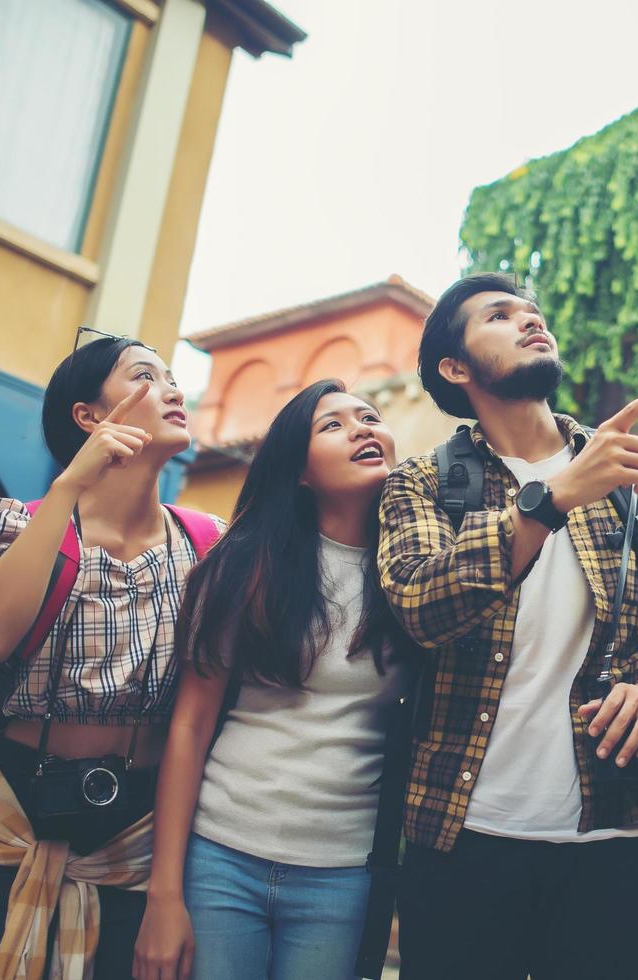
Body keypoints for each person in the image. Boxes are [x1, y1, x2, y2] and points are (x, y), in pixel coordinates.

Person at [376, 272, 638, 980]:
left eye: (533, 311)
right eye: (499, 316)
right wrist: (552, 498)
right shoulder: (421, 482)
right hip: (462, 837)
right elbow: (418, 607)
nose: (530, 320)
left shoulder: (629, 473)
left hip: (617, 833)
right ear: (455, 367)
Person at [0, 332, 224, 978]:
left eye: (172, 378)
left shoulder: (205, 544)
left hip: (136, 832)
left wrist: (168, 889)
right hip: (7, 811)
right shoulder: (15, 522)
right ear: (89, 416)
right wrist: (71, 486)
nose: (173, 390)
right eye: (144, 377)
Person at [132, 379, 412, 980]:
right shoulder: (244, 563)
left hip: (343, 870)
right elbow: (191, 725)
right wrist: (164, 893)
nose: (363, 428)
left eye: (369, 416)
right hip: (220, 856)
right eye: (332, 425)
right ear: (300, 471)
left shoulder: (412, 576)